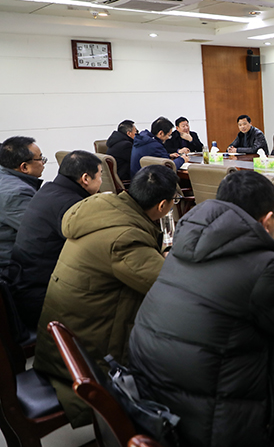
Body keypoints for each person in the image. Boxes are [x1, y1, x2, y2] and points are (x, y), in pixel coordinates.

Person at [129, 170, 274, 447]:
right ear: (267, 221)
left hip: (152, 404)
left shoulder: (184, 240)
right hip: (211, 426)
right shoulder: (266, 267)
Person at [33, 165, 179, 428]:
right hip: (86, 361)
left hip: (60, 343)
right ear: (162, 206)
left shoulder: (103, 208)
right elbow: (169, 289)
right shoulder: (126, 238)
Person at [11, 150, 102, 330]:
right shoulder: (72, 205)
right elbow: (95, 250)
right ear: (85, 178)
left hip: (24, 287)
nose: (101, 181)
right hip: (43, 299)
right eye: (100, 175)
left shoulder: (49, 190)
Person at [0, 136, 45, 268]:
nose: (43, 163)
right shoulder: (17, 193)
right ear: (24, 167)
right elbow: (40, 232)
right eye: (40, 159)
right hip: (11, 265)